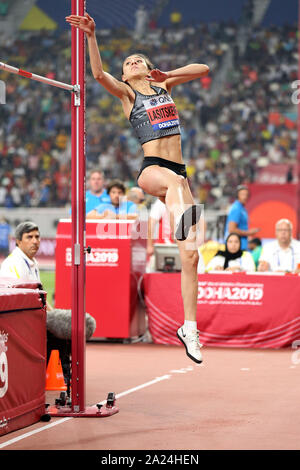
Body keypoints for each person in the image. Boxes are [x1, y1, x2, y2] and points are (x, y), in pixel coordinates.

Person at [66, 12, 210, 363]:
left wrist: (169, 74)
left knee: (190, 255)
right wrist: (91, 37)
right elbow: (98, 75)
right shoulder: (128, 94)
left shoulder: (163, 86)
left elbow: (203, 68)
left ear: (148, 68)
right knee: (175, 185)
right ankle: (179, 219)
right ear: (125, 75)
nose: (131, 62)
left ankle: (189, 329)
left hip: (179, 171)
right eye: (127, 62)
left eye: (137, 60)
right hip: (152, 169)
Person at [224, 185, 260, 251]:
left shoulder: (241, 208)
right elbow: (232, 229)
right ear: (237, 195)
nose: (245, 197)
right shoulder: (236, 208)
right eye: (242, 194)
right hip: (235, 246)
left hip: (241, 244)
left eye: (246, 195)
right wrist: (249, 233)